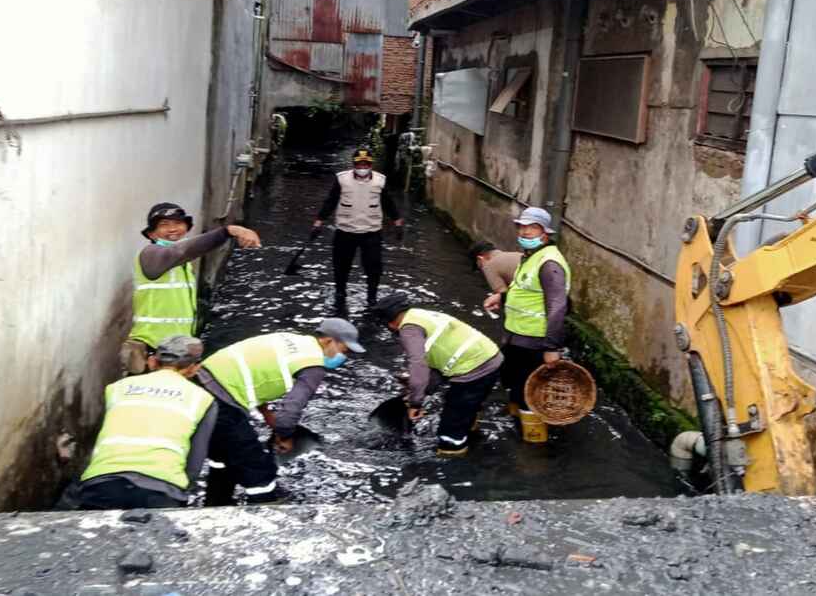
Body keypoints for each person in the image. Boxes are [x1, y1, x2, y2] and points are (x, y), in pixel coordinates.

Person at [193, 318, 365, 505]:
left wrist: (268, 416)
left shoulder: (289, 339)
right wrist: (284, 436)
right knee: (259, 468)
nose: (343, 357)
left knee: (222, 457)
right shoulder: (313, 365)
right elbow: (290, 411)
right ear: (329, 341)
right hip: (222, 401)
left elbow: (258, 375)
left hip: (197, 382)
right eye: (344, 350)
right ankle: (266, 513)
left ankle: (216, 504)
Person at [74, 335, 217, 510]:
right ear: (195, 369)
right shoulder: (203, 399)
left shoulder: (117, 388)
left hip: (101, 481)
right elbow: (196, 458)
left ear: (151, 362)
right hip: (163, 487)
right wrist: (185, 491)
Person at [122, 202, 261, 376]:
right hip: (152, 347)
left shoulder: (182, 265)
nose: (173, 229)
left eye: (178, 223)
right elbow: (180, 252)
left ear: (186, 228)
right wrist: (227, 231)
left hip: (176, 349)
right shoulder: (151, 254)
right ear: (151, 233)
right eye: (164, 225)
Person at [372, 294, 503, 457]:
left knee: (449, 430)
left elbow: (418, 364)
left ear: (390, 323)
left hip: (474, 370)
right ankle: (473, 438)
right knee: (466, 409)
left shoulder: (409, 330)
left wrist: (415, 403)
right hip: (492, 358)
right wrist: (420, 391)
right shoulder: (421, 315)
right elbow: (438, 360)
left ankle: (453, 461)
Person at [482, 207, 570, 442]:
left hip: (534, 342)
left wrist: (552, 348)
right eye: (522, 226)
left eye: (532, 227)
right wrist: (501, 297)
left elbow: (558, 306)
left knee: (529, 394)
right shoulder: (529, 257)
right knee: (513, 384)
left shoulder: (550, 264)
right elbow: (523, 289)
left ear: (545, 233)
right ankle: (515, 426)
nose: (525, 231)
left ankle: (534, 446)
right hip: (516, 337)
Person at [312, 148, 404, 307]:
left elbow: (388, 203)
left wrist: (397, 222)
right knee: (341, 264)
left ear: (371, 164)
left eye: (366, 164)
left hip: (371, 231)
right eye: (359, 164)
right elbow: (331, 201)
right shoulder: (342, 179)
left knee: (374, 266)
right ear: (354, 164)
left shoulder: (380, 181)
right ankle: (340, 292)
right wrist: (319, 222)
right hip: (345, 230)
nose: (362, 167)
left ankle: (372, 297)